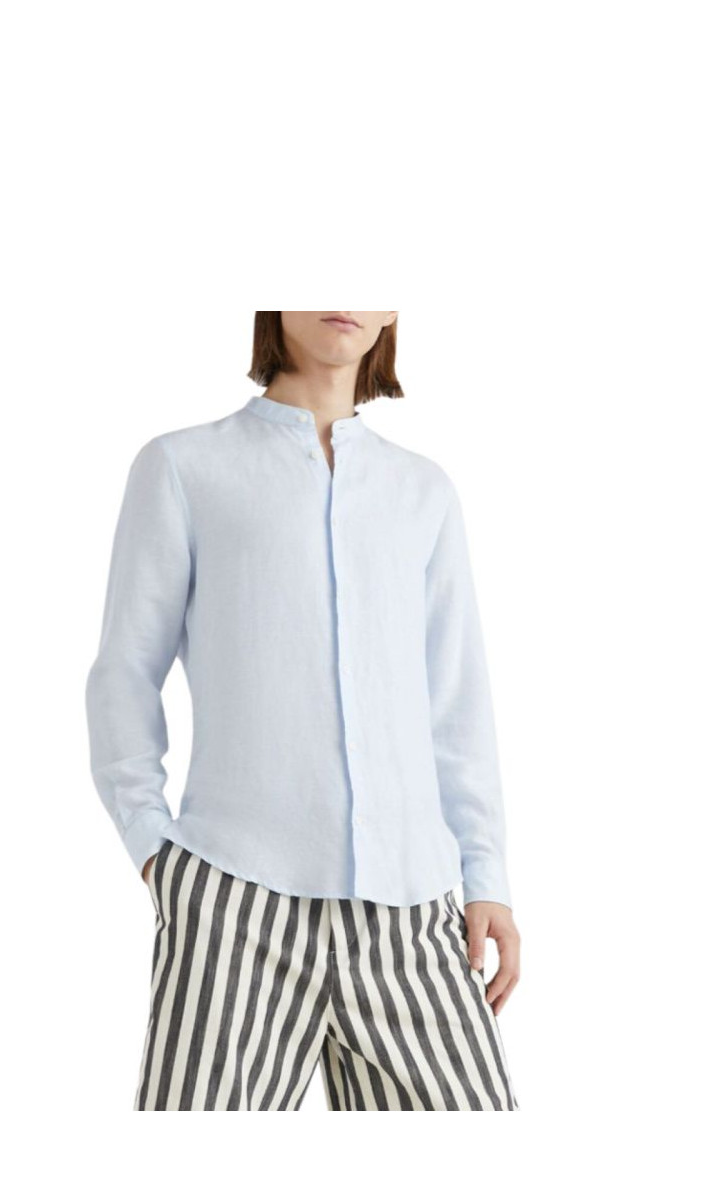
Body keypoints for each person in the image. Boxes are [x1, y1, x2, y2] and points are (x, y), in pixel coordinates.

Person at [86, 311, 521, 1110]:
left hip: (412, 915)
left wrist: (485, 876)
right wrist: (157, 852)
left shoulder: (423, 492)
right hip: (233, 905)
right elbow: (124, 673)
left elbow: (455, 702)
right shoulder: (184, 467)